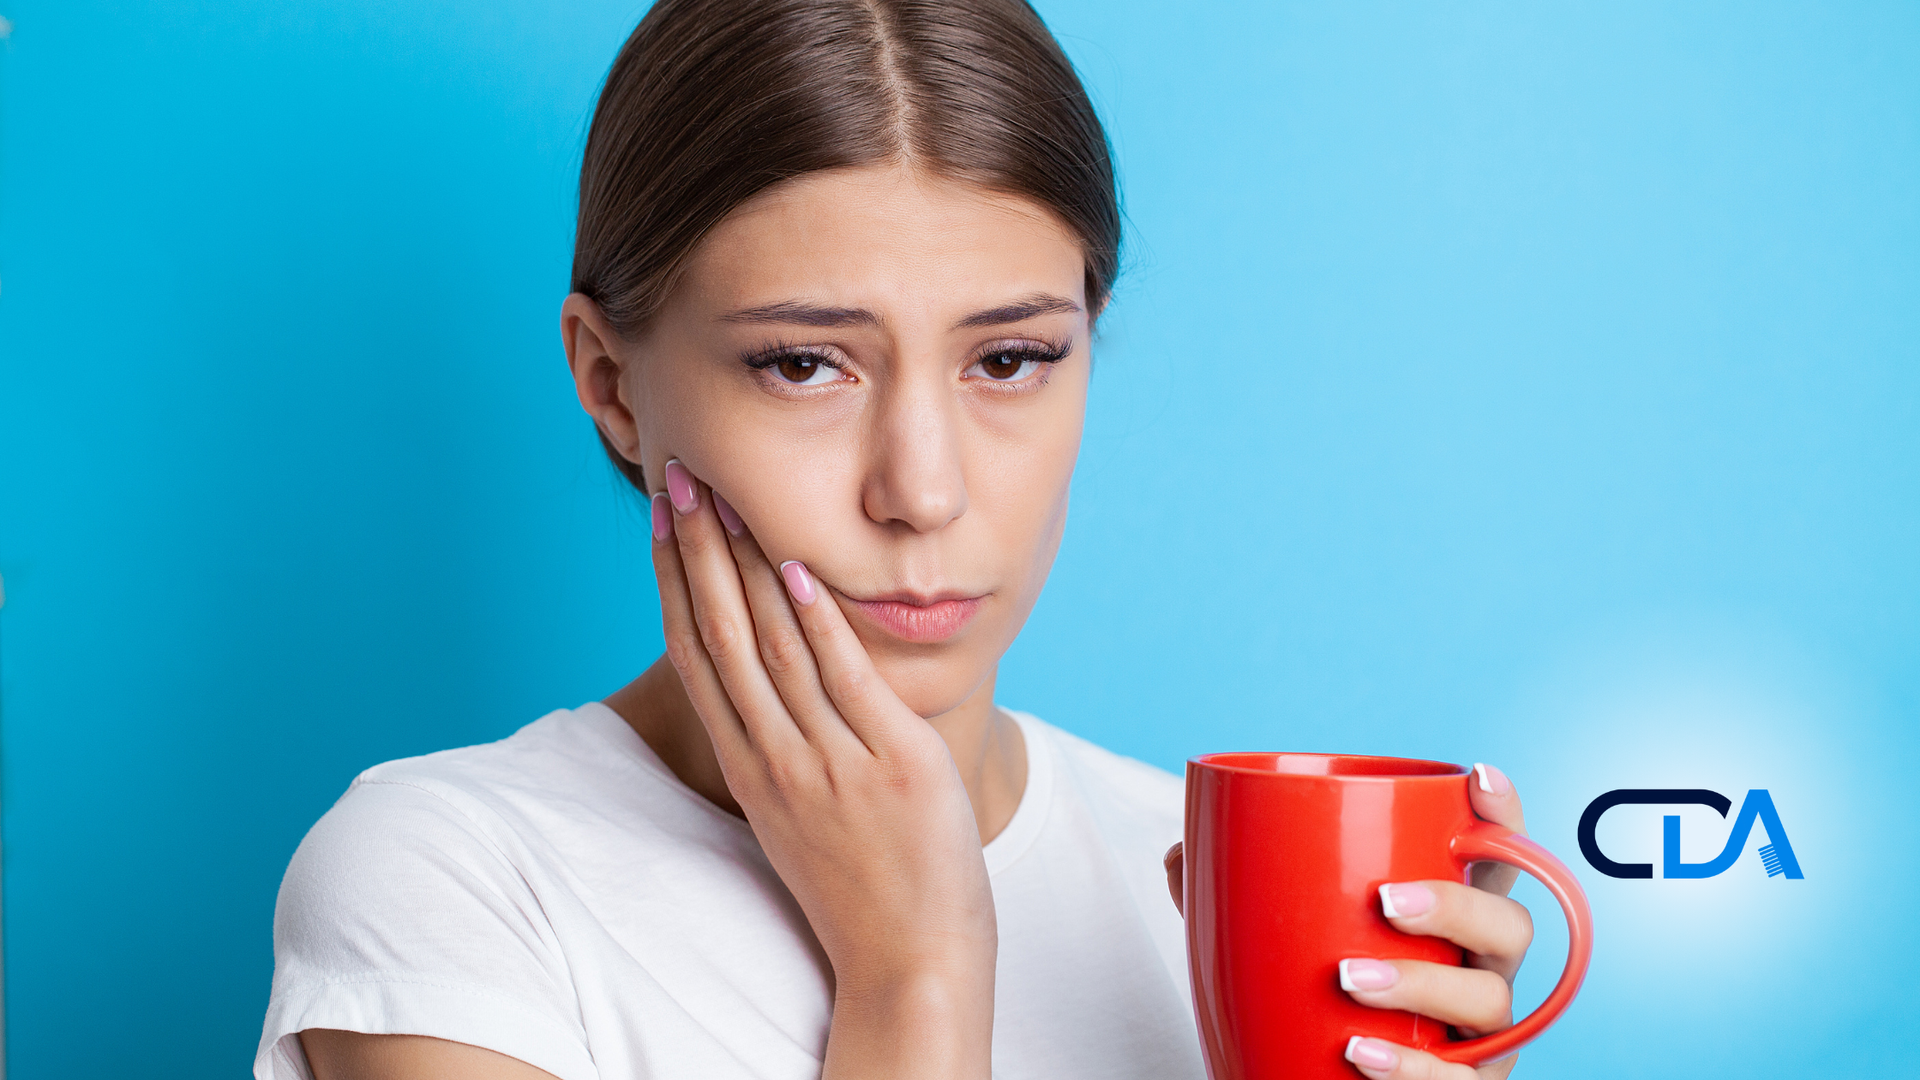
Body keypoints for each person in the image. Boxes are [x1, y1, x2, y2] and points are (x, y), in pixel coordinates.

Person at [255, 2, 1539, 1078]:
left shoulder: (1204, 898)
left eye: (1012, 358)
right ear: (610, 383)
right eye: (806, 364)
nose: (921, 491)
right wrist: (914, 975)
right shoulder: (452, 887)